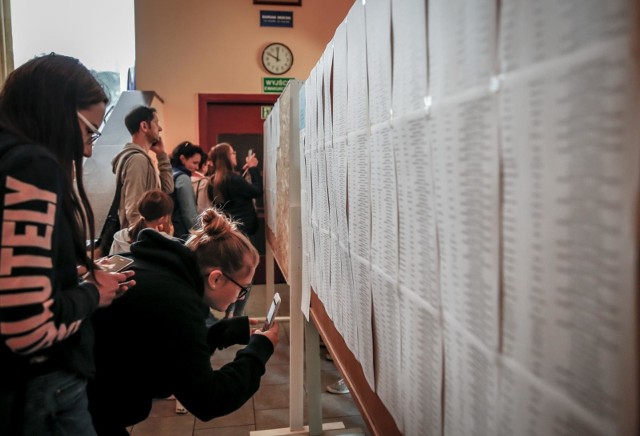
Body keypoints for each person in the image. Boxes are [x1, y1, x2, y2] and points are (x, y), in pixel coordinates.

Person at [0, 54, 135, 436]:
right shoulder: (31, 167)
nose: (89, 150)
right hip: (41, 385)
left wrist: (64, 276)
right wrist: (94, 292)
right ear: (57, 113)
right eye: (90, 131)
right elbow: (28, 327)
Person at [88, 208, 279, 434]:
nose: (241, 297)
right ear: (216, 278)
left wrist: (219, 333)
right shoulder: (177, 302)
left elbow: (168, 352)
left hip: (85, 399)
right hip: (78, 411)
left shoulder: (157, 269)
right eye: (242, 289)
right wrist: (259, 351)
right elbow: (208, 399)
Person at [204, 142, 263, 317]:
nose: (234, 155)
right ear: (225, 157)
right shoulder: (234, 179)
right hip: (244, 233)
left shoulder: (213, 181)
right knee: (245, 277)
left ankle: (229, 314)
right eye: (232, 153)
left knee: (232, 274)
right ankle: (238, 315)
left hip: (229, 233)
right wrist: (253, 169)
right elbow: (257, 191)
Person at [112, 105, 174, 229]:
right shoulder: (137, 160)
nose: (160, 128)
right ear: (144, 126)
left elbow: (167, 189)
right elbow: (134, 208)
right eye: (156, 123)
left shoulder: (142, 159)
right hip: (141, 239)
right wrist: (144, 240)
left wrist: (162, 155)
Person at [109, 189, 174, 254]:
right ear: (162, 219)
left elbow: (111, 260)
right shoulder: (162, 243)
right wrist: (169, 237)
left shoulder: (120, 236)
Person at [170, 141, 202, 238]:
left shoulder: (170, 173)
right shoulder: (183, 178)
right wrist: (200, 233)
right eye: (194, 163)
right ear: (183, 159)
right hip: (181, 232)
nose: (196, 167)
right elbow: (189, 212)